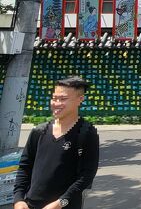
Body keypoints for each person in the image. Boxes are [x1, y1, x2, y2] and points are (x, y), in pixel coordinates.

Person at [14, 76, 99, 209]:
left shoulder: (87, 133)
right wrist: (19, 199)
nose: (56, 103)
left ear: (80, 99)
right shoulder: (39, 131)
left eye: (63, 99)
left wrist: (61, 203)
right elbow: (25, 167)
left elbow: (86, 176)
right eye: (54, 98)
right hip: (31, 204)